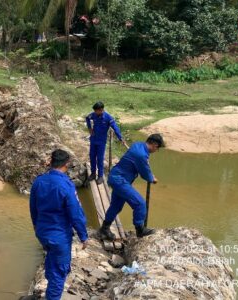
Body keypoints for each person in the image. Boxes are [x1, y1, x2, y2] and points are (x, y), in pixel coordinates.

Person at [30, 149, 88, 300]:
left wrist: (36, 227)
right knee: (60, 272)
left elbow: (33, 207)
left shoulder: (39, 181)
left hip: (42, 233)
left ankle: (49, 284)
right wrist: (83, 236)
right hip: (59, 235)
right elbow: (75, 213)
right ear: (66, 164)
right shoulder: (66, 185)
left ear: (51, 162)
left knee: (52, 260)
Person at [99, 134, 164, 240]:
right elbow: (145, 173)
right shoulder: (141, 155)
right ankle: (140, 230)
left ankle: (104, 228)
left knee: (116, 206)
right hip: (120, 180)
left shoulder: (138, 145)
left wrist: (147, 170)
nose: (156, 150)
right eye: (157, 148)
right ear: (154, 144)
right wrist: (152, 179)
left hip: (116, 177)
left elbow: (143, 165)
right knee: (140, 203)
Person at [86, 101, 127, 184]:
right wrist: (90, 129)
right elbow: (87, 118)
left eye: (96, 111)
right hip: (93, 140)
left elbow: (115, 128)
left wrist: (120, 138)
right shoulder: (93, 115)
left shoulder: (108, 118)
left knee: (100, 159)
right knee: (92, 157)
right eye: (94, 111)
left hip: (101, 141)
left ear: (101, 110)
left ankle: (100, 176)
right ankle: (93, 173)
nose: (95, 112)